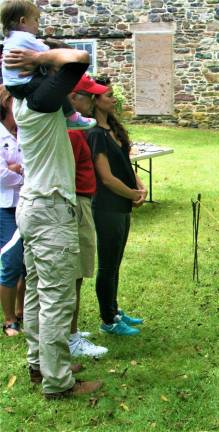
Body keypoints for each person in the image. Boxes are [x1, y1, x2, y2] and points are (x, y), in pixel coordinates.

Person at [4, 40, 102, 397]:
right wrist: (40, 57)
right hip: (51, 209)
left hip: (33, 206)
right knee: (57, 297)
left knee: (35, 294)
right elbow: (77, 60)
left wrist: (36, 58)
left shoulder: (27, 102)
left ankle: (39, 365)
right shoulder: (42, 104)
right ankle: (58, 382)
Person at [87, 77, 146, 336]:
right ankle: (108, 320)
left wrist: (140, 188)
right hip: (107, 206)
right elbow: (107, 177)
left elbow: (126, 164)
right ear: (95, 102)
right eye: (108, 95)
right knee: (108, 264)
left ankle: (114, 309)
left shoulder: (114, 128)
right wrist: (132, 193)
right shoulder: (95, 135)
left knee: (116, 261)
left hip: (123, 204)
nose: (113, 99)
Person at [0, 0, 95, 130]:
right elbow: (46, 52)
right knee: (55, 81)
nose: (38, 25)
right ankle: (72, 118)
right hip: (25, 84)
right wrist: (45, 50)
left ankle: (70, 116)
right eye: (36, 20)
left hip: (13, 86)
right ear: (23, 21)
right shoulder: (24, 37)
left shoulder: (10, 38)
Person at [66, 74, 109, 357]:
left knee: (79, 273)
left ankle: (71, 330)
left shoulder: (78, 129)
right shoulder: (70, 133)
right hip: (75, 204)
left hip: (82, 201)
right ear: (73, 98)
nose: (93, 101)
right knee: (74, 274)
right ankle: (69, 338)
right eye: (88, 96)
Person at [0, 86, 25, 336]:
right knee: (10, 261)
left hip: (27, 203)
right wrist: (21, 174)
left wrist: (17, 169)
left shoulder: (24, 131)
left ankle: (21, 310)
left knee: (27, 262)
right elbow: (2, 176)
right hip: (6, 206)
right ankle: (8, 320)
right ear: (7, 102)